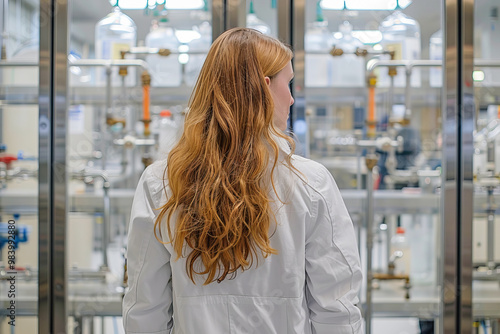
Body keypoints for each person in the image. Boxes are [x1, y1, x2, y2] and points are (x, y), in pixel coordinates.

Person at [122, 27, 363, 334]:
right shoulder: (311, 183)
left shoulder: (162, 183)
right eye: (286, 84)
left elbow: (145, 309)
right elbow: (336, 311)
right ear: (264, 87)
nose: (290, 99)